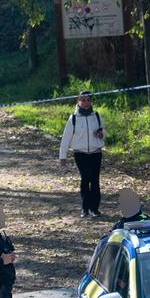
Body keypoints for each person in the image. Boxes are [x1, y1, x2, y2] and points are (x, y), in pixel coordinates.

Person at [58, 90, 105, 218]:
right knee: (85, 178)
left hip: (96, 153)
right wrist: (63, 156)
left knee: (95, 180)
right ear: (78, 101)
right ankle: (85, 208)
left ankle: (94, 209)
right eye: (83, 100)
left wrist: (101, 135)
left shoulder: (97, 116)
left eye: (88, 100)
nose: (85, 103)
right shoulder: (73, 119)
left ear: (91, 101)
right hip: (80, 154)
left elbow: (104, 134)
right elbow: (66, 138)